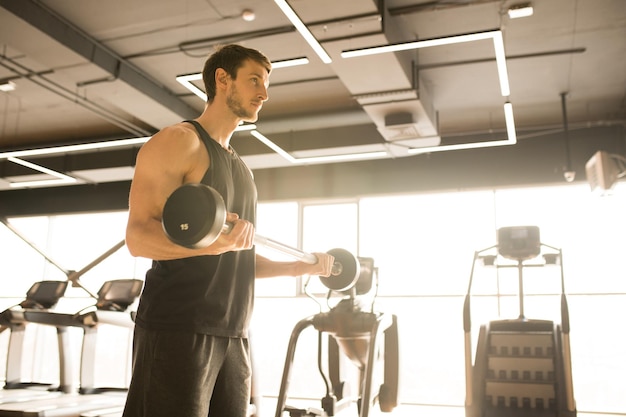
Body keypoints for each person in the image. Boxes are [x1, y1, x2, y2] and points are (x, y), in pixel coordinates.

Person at [122, 44, 335, 417]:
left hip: (234, 332)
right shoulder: (179, 142)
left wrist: (299, 268)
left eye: (265, 84)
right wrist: (212, 247)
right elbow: (139, 238)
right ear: (222, 79)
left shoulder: (242, 169)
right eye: (254, 80)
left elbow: (238, 255)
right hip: (178, 326)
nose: (264, 93)